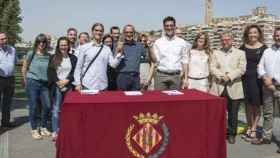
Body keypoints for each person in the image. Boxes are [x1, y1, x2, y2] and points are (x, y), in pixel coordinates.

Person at [210, 31, 246, 144]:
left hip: (234, 86)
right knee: (217, 113)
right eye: (223, 40)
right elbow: (212, 67)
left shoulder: (240, 53)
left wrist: (229, 77)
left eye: (227, 39)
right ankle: (217, 133)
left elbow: (242, 69)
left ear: (232, 40)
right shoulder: (216, 53)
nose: (225, 42)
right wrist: (221, 76)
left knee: (233, 113)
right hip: (218, 86)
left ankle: (231, 134)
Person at [74, 23, 123, 91]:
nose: (98, 32)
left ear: (103, 33)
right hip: (87, 85)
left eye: (100, 31)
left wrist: (119, 53)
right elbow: (78, 68)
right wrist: (78, 83)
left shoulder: (107, 49)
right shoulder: (84, 48)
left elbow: (113, 65)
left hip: (103, 86)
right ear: (92, 32)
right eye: (96, 30)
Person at [240, 25, 267, 141]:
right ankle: (249, 126)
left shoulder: (264, 48)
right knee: (247, 105)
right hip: (245, 79)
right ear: (247, 34)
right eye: (250, 33)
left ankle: (254, 128)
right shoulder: (242, 47)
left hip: (258, 80)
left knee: (256, 105)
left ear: (259, 34)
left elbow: (268, 64)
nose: (253, 35)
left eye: (255, 32)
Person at [21, 34, 51, 139]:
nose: (41, 44)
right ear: (36, 43)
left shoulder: (48, 55)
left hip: (44, 84)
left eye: (43, 42)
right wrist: (25, 81)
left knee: (47, 105)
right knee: (33, 107)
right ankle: (34, 129)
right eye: (39, 42)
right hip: (32, 82)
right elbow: (24, 68)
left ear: (46, 43)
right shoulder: (31, 53)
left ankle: (43, 127)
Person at [254, 28, 280, 147]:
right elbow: (260, 66)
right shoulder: (267, 51)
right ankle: (266, 137)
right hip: (267, 86)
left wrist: (273, 80)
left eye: (279, 35)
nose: (277, 37)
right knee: (268, 113)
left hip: (277, 86)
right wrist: (264, 77)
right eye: (276, 35)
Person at [47, 37, 77, 140]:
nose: (63, 47)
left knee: (68, 109)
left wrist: (67, 80)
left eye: (65, 45)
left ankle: (67, 130)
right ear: (58, 46)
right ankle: (56, 131)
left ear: (68, 46)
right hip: (57, 86)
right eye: (61, 45)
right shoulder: (53, 57)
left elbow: (75, 72)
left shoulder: (73, 58)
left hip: (68, 86)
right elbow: (50, 72)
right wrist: (58, 82)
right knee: (56, 109)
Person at [153, 16, 190, 90]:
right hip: (161, 75)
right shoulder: (158, 42)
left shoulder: (182, 42)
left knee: (175, 100)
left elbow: (185, 60)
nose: (169, 28)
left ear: (174, 26)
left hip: (176, 76)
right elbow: (155, 60)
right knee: (160, 99)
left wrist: (186, 78)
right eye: (167, 26)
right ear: (164, 27)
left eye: (171, 25)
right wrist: (150, 48)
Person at [115, 24, 146, 91]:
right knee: (122, 99)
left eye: (131, 32)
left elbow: (147, 58)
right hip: (122, 77)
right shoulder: (118, 44)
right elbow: (114, 61)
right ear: (123, 33)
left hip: (135, 77)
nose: (129, 34)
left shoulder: (140, 45)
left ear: (134, 33)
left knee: (135, 100)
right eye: (127, 32)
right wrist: (118, 50)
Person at [0, 32, 17, 128]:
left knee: (7, 102)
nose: (4, 41)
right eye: (1, 39)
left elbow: (15, 62)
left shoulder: (12, 49)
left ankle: (5, 122)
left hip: (10, 79)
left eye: (5, 38)